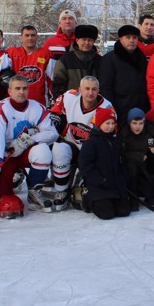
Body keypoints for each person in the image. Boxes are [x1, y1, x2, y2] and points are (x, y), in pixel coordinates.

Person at [0, 75, 58, 217]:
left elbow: (52, 133)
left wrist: (30, 139)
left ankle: (34, 192)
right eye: (17, 88)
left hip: (25, 151)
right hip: (6, 154)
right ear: (9, 91)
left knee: (43, 151)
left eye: (24, 88)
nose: (21, 92)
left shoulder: (37, 107)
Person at [45, 76, 114, 211]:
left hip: (92, 151)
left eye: (94, 89)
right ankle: (62, 190)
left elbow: (109, 139)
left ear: (99, 90)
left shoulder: (106, 108)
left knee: (81, 195)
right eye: (87, 89)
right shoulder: (69, 96)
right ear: (80, 89)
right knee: (59, 148)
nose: (90, 93)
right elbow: (54, 114)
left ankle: (81, 180)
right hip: (70, 143)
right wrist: (57, 120)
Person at [79, 107, 134, 219]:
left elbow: (121, 162)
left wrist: (122, 178)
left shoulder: (115, 141)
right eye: (107, 123)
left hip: (115, 185)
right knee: (106, 214)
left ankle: (112, 200)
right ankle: (88, 199)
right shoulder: (91, 143)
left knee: (124, 211)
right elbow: (85, 165)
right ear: (99, 123)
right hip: (99, 185)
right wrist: (100, 180)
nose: (110, 126)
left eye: (113, 123)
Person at [0, 25, 54, 106]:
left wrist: (54, 99)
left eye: (32, 35)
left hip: (39, 103)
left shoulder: (46, 54)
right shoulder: (12, 53)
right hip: (15, 104)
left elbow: (53, 79)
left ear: (37, 37)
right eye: (27, 35)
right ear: (21, 37)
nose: (30, 38)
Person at [98, 24, 149, 126]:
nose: (131, 40)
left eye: (134, 37)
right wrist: (113, 110)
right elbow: (105, 88)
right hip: (119, 112)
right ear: (120, 39)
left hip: (139, 112)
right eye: (128, 37)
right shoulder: (109, 59)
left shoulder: (142, 59)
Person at [120, 107, 154, 206]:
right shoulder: (124, 134)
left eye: (140, 123)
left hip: (147, 168)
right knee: (131, 167)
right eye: (134, 123)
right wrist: (137, 156)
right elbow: (121, 153)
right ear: (129, 122)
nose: (137, 127)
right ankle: (133, 197)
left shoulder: (150, 130)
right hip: (132, 168)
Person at [51, 24, 101, 99]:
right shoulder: (65, 60)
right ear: (77, 40)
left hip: (95, 104)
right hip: (71, 103)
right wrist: (62, 102)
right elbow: (58, 85)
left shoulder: (100, 61)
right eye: (84, 39)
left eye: (90, 40)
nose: (87, 43)